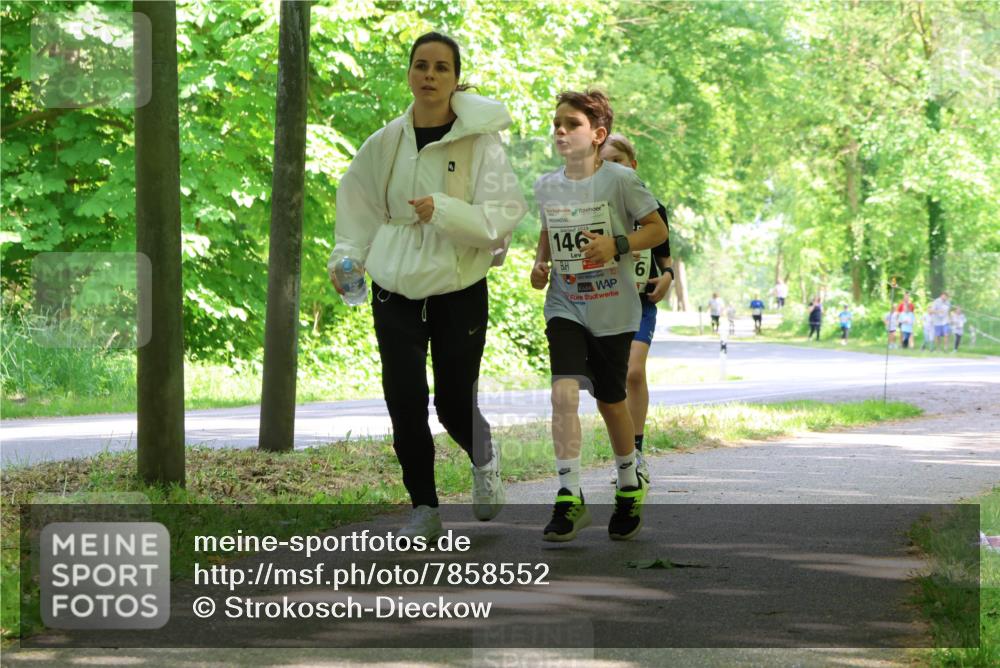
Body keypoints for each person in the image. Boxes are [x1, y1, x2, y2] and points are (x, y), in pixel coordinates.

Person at [328, 32, 527, 539]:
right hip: (394, 284)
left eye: (442, 67)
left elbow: (503, 216)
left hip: (458, 284)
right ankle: (425, 507)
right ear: (410, 75)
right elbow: (357, 208)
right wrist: (347, 259)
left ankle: (483, 455)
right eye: (422, 66)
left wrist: (442, 209)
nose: (430, 76)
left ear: (457, 78)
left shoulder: (481, 143)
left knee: (453, 401)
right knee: (404, 397)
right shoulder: (385, 143)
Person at [530, 89, 668, 542]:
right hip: (565, 303)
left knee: (611, 400)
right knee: (564, 392)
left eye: (572, 124)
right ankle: (569, 494)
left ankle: (629, 482)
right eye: (557, 124)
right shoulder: (547, 185)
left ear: (598, 135)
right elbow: (550, 229)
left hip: (614, 308)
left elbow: (656, 229)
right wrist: (540, 262)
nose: (561, 131)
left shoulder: (620, 182)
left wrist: (617, 244)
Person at [599, 133, 673, 486]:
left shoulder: (651, 206)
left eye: (618, 160)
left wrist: (668, 276)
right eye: (605, 160)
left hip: (641, 302)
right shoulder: (594, 207)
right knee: (611, 383)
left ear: (632, 164)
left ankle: (637, 451)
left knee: (633, 372)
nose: (612, 166)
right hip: (605, 300)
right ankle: (624, 456)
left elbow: (665, 255)